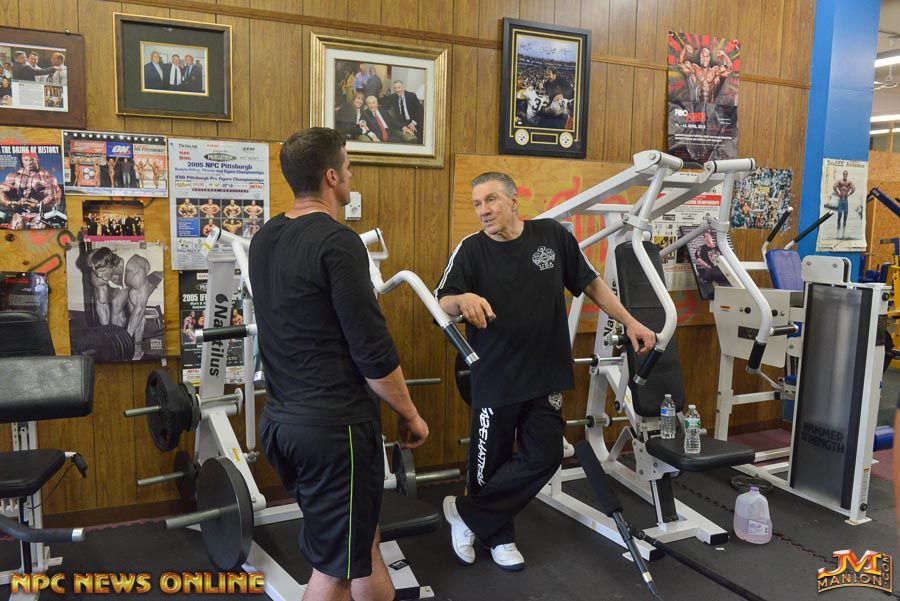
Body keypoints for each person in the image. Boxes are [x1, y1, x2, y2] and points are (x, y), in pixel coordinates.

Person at [435, 172, 656, 570]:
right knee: (488, 465)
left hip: (545, 373)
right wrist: (462, 299)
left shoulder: (552, 236)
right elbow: (442, 301)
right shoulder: (471, 249)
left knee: (547, 455)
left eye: (491, 200)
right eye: (477, 204)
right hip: (495, 376)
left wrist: (630, 322)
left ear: (514, 200)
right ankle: (499, 536)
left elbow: (591, 283)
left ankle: (467, 515)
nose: (484, 210)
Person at [249, 127, 428, 601]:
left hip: (282, 425)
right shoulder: (339, 242)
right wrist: (409, 413)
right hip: (334, 433)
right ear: (331, 176)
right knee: (334, 573)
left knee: (359, 543)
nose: (351, 175)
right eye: (348, 167)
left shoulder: (265, 238)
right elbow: (373, 353)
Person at [85, 247, 162, 360]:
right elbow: (102, 304)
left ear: (111, 266)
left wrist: (125, 339)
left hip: (154, 271)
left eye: (102, 271)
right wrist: (107, 334)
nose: (99, 275)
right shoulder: (97, 272)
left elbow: (139, 308)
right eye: (96, 271)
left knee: (133, 302)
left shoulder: (136, 272)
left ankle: (137, 350)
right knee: (116, 303)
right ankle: (117, 345)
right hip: (123, 277)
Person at [0, 152, 62, 230]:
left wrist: (38, 204)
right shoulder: (13, 177)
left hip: (38, 214)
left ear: (37, 160)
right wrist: (9, 203)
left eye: (31, 160)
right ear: (22, 161)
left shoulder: (47, 177)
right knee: (16, 228)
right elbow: (1, 190)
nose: (29, 162)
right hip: (19, 213)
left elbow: (54, 195)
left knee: (38, 230)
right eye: (26, 160)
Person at [832, 170, 855, 236]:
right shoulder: (840, 181)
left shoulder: (849, 182)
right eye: (844, 174)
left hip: (846, 201)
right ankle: (838, 231)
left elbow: (853, 188)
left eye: (846, 174)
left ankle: (843, 233)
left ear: (847, 175)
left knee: (845, 217)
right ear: (843, 175)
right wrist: (838, 193)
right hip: (841, 200)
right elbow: (834, 186)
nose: (845, 175)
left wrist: (849, 194)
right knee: (839, 216)